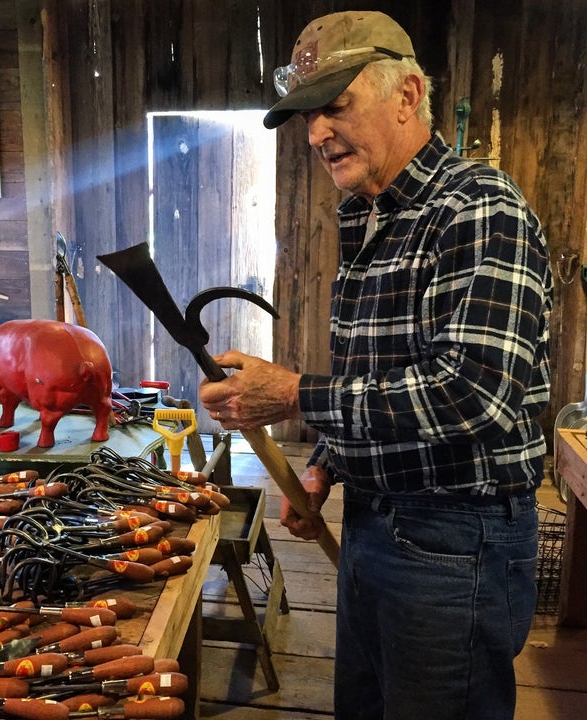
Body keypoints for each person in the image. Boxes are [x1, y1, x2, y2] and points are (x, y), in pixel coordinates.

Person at [198, 10, 552, 720]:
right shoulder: (370, 216)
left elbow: (472, 394)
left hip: (455, 541)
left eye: (335, 107)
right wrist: (328, 464)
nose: (317, 132)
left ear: (408, 95)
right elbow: (379, 370)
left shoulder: (478, 208)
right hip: (375, 524)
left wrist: (294, 394)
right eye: (308, 115)